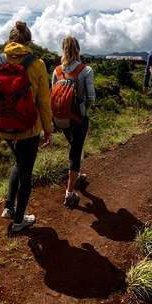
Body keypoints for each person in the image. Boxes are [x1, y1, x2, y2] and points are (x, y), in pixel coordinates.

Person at [0, 21, 53, 233]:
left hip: (5, 126)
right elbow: (44, 101)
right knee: (26, 172)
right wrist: (48, 130)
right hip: (29, 128)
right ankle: (18, 221)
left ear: (10, 39)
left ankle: (8, 207)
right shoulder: (37, 64)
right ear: (28, 41)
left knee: (18, 162)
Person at [51, 36, 96, 208]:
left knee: (73, 146)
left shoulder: (56, 71)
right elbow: (91, 98)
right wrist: (83, 110)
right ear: (78, 49)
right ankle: (70, 192)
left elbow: (52, 95)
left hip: (61, 118)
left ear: (63, 49)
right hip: (78, 118)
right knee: (75, 151)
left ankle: (77, 175)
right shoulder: (86, 70)